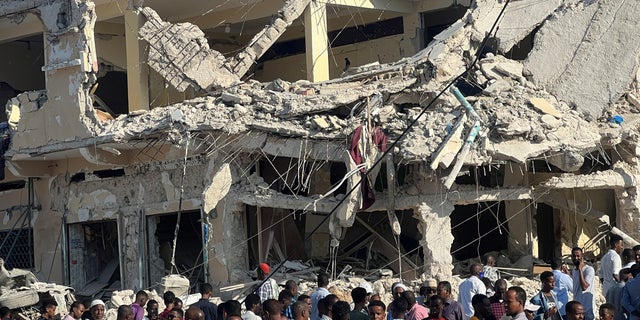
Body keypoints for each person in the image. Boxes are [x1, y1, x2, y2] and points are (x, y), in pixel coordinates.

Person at [571, 247, 595, 320]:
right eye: (574, 256)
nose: (576, 258)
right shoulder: (574, 270)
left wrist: (580, 270)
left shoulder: (589, 269)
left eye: (578, 256)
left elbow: (584, 287)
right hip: (577, 308)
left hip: (586, 308)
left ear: (582, 256)